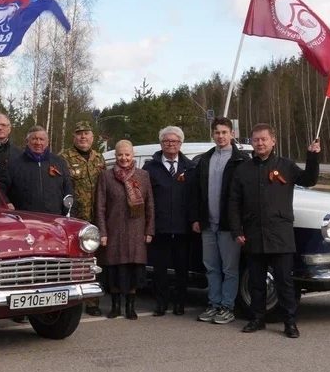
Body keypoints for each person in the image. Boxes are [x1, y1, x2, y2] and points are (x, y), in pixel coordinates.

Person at [228, 123, 321, 338]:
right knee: (256, 282)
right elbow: (233, 203)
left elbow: (309, 180)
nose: (260, 143)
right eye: (256, 140)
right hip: (253, 234)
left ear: (273, 141)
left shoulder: (286, 166)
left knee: (284, 282)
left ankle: (290, 322)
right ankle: (257, 318)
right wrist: (236, 230)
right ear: (251, 142)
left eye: (264, 139)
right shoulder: (243, 170)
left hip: (280, 235)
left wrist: (313, 157)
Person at [190, 117, 249, 325]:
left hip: (229, 226)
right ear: (212, 135)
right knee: (211, 267)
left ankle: (227, 307)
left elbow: (245, 196)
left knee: (229, 269)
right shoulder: (205, 159)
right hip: (208, 224)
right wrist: (197, 218)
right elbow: (197, 192)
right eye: (217, 132)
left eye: (224, 132)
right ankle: (214, 304)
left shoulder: (241, 160)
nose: (221, 136)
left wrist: (240, 224)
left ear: (232, 134)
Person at [95, 140, 154, 320]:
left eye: (127, 154)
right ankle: (115, 306)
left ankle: (130, 307)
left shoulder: (143, 175)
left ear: (133, 155)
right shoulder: (106, 176)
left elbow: (150, 205)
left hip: (136, 231)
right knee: (114, 269)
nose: (124, 158)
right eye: (120, 154)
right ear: (115, 156)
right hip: (113, 230)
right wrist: (102, 232)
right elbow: (100, 207)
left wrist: (149, 230)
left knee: (133, 269)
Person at [142, 125, 195, 316]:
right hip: (160, 227)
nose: (170, 144)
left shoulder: (190, 167)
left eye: (174, 141)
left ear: (180, 144)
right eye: (166, 141)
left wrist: (194, 220)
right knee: (160, 269)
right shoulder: (149, 168)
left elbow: (194, 197)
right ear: (161, 143)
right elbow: (145, 198)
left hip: (183, 228)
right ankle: (161, 303)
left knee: (182, 268)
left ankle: (180, 303)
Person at [60, 119, 107, 315]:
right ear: (74, 137)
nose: (83, 137)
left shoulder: (99, 159)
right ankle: (70, 299)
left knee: (93, 262)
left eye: (86, 133)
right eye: (79, 134)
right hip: (74, 220)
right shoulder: (63, 158)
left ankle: (92, 302)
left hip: (96, 218)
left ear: (92, 137)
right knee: (72, 260)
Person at [5, 126, 74, 215]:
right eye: (34, 139)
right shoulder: (15, 163)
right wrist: (7, 202)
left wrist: (68, 212)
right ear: (27, 141)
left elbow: (68, 189)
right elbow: (1, 187)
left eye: (41, 139)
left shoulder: (59, 162)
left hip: (54, 218)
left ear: (47, 142)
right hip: (25, 218)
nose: (38, 142)